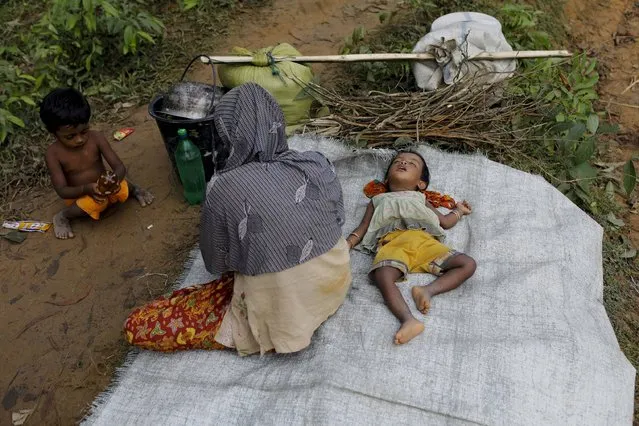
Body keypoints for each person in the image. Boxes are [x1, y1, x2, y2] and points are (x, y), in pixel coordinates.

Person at [124, 83, 351, 356]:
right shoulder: (316, 162)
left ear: (225, 132)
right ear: (277, 122)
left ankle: (266, 327)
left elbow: (216, 263)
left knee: (139, 324)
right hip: (333, 283)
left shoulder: (224, 187)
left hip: (286, 313)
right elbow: (337, 218)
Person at [347, 151, 476, 345]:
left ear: (421, 184)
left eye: (412, 163)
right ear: (387, 178)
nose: (403, 163)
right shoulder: (377, 200)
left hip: (425, 242)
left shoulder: (421, 198)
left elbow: (445, 222)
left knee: (468, 263)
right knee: (382, 275)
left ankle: (427, 291)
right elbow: (363, 228)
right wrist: (347, 243)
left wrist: (458, 211)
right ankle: (408, 320)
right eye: (397, 162)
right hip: (393, 243)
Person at [40, 88, 154, 239]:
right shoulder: (53, 154)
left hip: (106, 186)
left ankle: (135, 190)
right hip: (79, 193)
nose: (80, 139)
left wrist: (114, 180)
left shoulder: (96, 138)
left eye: (84, 131)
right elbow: (62, 190)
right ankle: (63, 216)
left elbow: (119, 167)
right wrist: (87, 189)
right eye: (70, 136)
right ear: (54, 133)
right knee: (91, 205)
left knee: (123, 186)